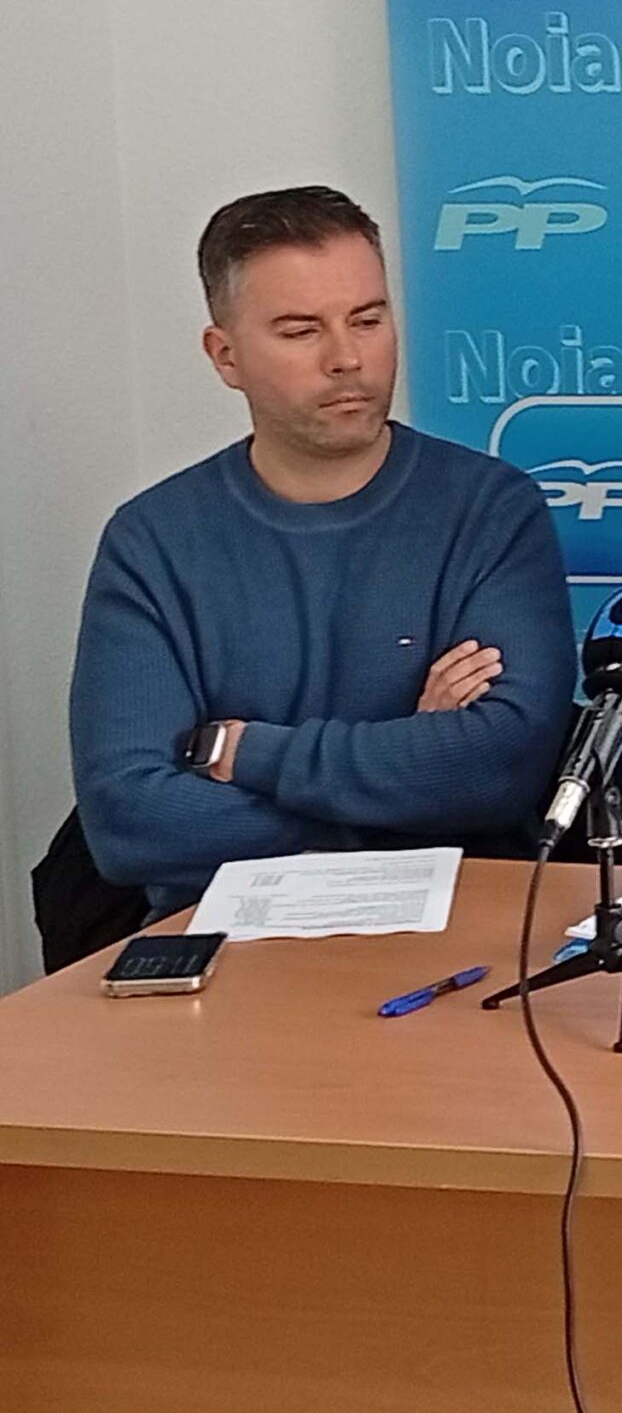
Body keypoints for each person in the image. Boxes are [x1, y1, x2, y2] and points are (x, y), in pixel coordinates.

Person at [70, 186, 577, 918]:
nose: (347, 358)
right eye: (300, 331)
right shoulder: (152, 540)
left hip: (452, 933)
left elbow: (498, 770)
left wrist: (248, 755)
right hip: (220, 939)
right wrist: (405, 786)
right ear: (225, 355)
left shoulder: (490, 510)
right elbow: (130, 821)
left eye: (367, 320)